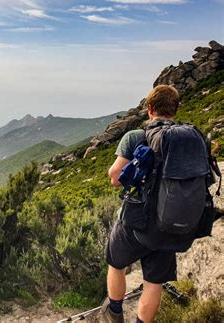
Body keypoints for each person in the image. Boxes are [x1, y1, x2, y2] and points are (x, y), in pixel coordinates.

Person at [101, 85, 180, 323]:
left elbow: (116, 177)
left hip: (136, 220)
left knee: (116, 263)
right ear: (175, 109)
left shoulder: (136, 137)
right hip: (171, 222)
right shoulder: (188, 138)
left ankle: (114, 312)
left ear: (150, 109)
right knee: (154, 282)